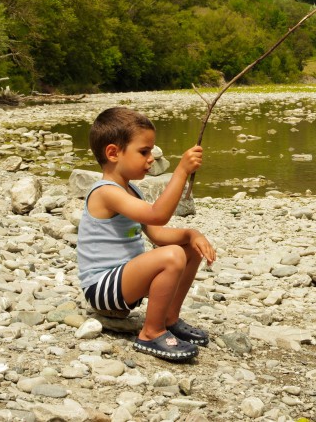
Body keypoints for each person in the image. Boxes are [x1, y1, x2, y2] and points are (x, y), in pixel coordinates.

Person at [76, 107, 215, 362]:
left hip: (124, 281)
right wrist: (181, 172)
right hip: (102, 288)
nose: (151, 158)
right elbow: (157, 215)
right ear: (113, 153)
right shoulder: (105, 192)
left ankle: (168, 318)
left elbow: (157, 234)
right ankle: (151, 333)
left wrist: (191, 234)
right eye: (144, 151)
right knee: (172, 256)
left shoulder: (131, 191)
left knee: (186, 248)